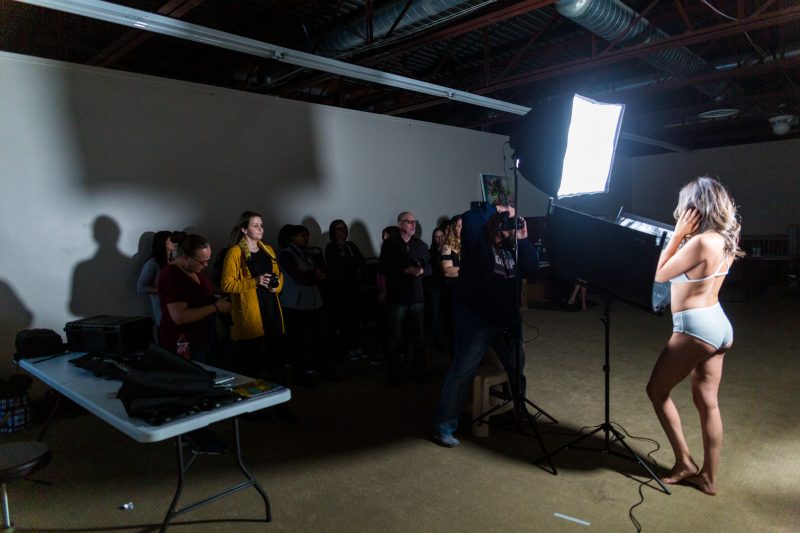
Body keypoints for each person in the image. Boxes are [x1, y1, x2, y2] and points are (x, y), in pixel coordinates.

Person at [646, 175, 743, 496]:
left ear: (695, 208)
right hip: (719, 325)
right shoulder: (724, 239)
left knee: (656, 391)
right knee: (707, 403)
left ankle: (685, 463)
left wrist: (676, 236)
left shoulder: (700, 242)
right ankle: (708, 478)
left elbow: (661, 274)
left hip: (695, 327)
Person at [432, 203, 538, 447]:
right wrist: (500, 208)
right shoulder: (478, 245)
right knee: (462, 371)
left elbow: (533, 270)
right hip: (476, 318)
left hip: (506, 320)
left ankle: (519, 411)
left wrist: (521, 238)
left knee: (516, 367)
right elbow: (470, 218)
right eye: (503, 223)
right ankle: (443, 425)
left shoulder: (514, 247)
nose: (506, 227)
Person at [157, 233, 233, 453]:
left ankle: (190, 433)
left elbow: (198, 298)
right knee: (193, 392)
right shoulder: (172, 275)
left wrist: (215, 299)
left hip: (199, 339)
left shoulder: (191, 271)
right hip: (183, 343)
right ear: (185, 257)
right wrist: (215, 307)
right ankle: (201, 438)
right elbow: (179, 316)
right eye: (202, 261)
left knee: (196, 388)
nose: (205, 265)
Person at [278, 224, 339, 384]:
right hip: (295, 304)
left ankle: (325, 370)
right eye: (302, 235)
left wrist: (316, 275)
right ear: (293, 237)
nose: (306, 238)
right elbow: (298, 276)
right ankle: (301, 375)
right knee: (297, 341)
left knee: (321, 338)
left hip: (313, 302)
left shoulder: (307, 253)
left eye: (307, 235)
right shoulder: (286, 255)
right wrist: (315, 275)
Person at [379, 212, 431, 384]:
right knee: (395, 336)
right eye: (409, 222)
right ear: (400, 224)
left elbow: (430, 267)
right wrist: (404, 270)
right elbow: (384, 267)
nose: (413, 225)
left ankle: (421, 370)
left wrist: (422, 270)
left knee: (419, 336)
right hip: (397, 298)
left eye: (414, 221)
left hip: (417, 298)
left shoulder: (421, 245)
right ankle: (395, 373)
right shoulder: (390, 245)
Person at [324, 219, 366, 360]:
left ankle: (356, 345)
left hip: (354, 287)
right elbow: (336, 265)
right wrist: (348, 263)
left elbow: (361, 260)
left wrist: (347, 262)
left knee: (355, 319)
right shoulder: (330, 246)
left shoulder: (351, 245)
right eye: (339, 229)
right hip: (340, 291)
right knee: (344, 321)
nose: (342, 231)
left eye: (344, 228)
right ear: (333, 231)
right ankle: (348, 348)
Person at [136, 230, 180, 328]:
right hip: (163, 314)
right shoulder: (153, 263)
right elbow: (140, 288)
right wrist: (161, 290)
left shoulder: (174, 261)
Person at [439, 215, 462, 349]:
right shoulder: (447, 247)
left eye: (463, 226)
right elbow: (448, 271)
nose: (462, 229)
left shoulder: (470, 245)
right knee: (454, 327)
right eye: (459, 226)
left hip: (468, 291)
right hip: (453, 291)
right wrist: (469, 270)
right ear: (453, 228)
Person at [424, 227, 447, 348]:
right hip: (433, 287)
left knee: (445, 312)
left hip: (446, 286)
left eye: (441, 236)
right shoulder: (430, 252)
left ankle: (445, 338)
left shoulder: (449, 250)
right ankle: (437, 340)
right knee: (435, 313)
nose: (439, 239)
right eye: (436, 237)